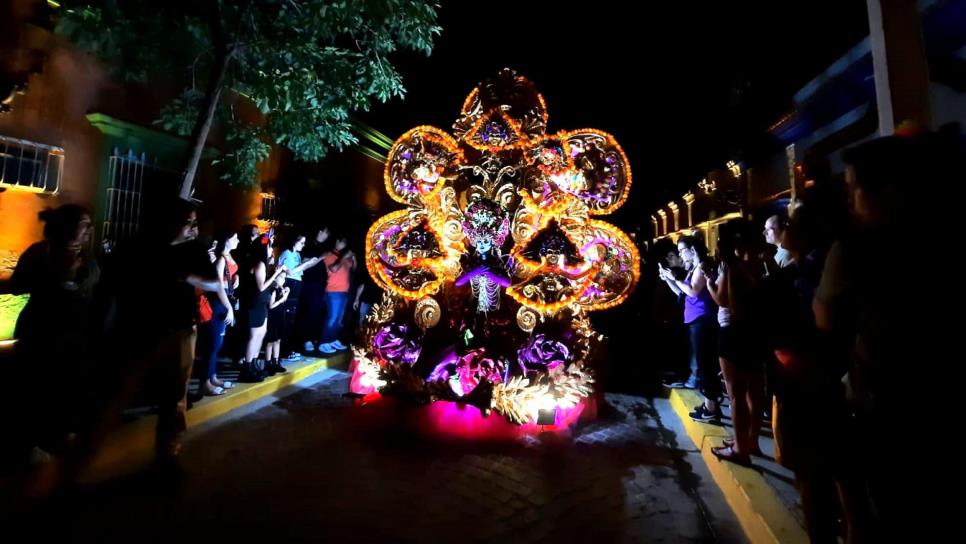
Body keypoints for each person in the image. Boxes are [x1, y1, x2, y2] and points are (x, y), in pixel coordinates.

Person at [9, 204, 100, 460]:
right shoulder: (41, 252)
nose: (89, 229)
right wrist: (60, 278)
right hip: (43, 329)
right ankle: (27, 445)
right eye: (84, 223)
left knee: (66, 385)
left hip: (75, 332)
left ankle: (58, 432)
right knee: (36, 387)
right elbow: (17, 286)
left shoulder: (86, 255)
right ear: (68, 226)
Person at [659, 235, 721, 421]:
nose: (680, 254)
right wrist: (668, 279)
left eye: (682, 250)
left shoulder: (702, 266)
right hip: (695, 319)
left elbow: (693, 290)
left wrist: (674, 278)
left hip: (704, 319)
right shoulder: (693, 268)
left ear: (692, 250)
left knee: (706, 364)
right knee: (703, 363)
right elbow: (683, 293)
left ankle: (711, 407)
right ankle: (709, 403)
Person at [238, 238, 286, 382]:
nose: (271, 250)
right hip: (255, 303)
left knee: (261, 333)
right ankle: (247, 367)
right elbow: (261, 286)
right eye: (269, 248)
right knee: (254, 335)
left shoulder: (262, 263)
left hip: (261, 303)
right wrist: (276, 275)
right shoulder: (258, 264)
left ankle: (253, 364)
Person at [200, 231, 239, 396]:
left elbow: (228, 279)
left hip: (225, 301)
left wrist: (236, 281)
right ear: (227, 240)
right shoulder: (221, 259)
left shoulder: (228, 257)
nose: (237, 240)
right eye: (234, 237)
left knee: (218, 343)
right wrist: (229, 307)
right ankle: (205, 382)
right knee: (213, 343)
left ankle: (213, 376)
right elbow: (218, 285)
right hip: (219, 303)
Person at [277, 234, 322, 360]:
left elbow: (300, 270)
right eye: (301, 242)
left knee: (292, 320)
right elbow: (290, 271)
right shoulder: (287, 253)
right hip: (289, 284)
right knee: (286, 319)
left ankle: (288, 348)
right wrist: (306, 263)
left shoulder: (297, 254)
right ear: (294, 242)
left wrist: (311, 262)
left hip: (297, 284)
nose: (303, 245)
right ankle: (283, 351)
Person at [318, 237, 355, 354]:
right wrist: (344, 257)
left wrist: (354, 258)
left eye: (345, 242)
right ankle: (323, 342)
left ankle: (332, 339)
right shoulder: (329, 255)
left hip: (344, 292)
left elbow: (354, 268)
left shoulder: (344, 257)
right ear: (336, 241)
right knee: (332, 318)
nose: (343, 244)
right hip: (333, 291)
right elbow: (333, 269)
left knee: (339, 320)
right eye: (341, 241)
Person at [262, 269, 290, 375]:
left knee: (278, 340)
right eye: (281, 277)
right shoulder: (273, 289)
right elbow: (271, 305)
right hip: (273, 317)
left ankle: (276, 361)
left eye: (284, 278)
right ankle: (268, 363)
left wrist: (285, 294)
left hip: (280, 316)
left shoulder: (281, 289)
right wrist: (281, 300)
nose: (283, 280)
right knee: (271, 341)